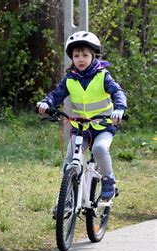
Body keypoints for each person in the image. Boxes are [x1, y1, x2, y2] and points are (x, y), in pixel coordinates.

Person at [37, 31, 127, 205]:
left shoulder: (103, 75)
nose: (80, 59)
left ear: (93, 56)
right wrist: (46, 103)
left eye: (85, 55)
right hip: (81, 128)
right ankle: (67, 199)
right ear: (72, 58)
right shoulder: (70, 78)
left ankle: (109, 180)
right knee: (70, 160)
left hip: (104, 126)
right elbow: (56, 94)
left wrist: (120, 109)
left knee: (100, 149)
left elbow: (118, 92)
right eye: (76, 55)